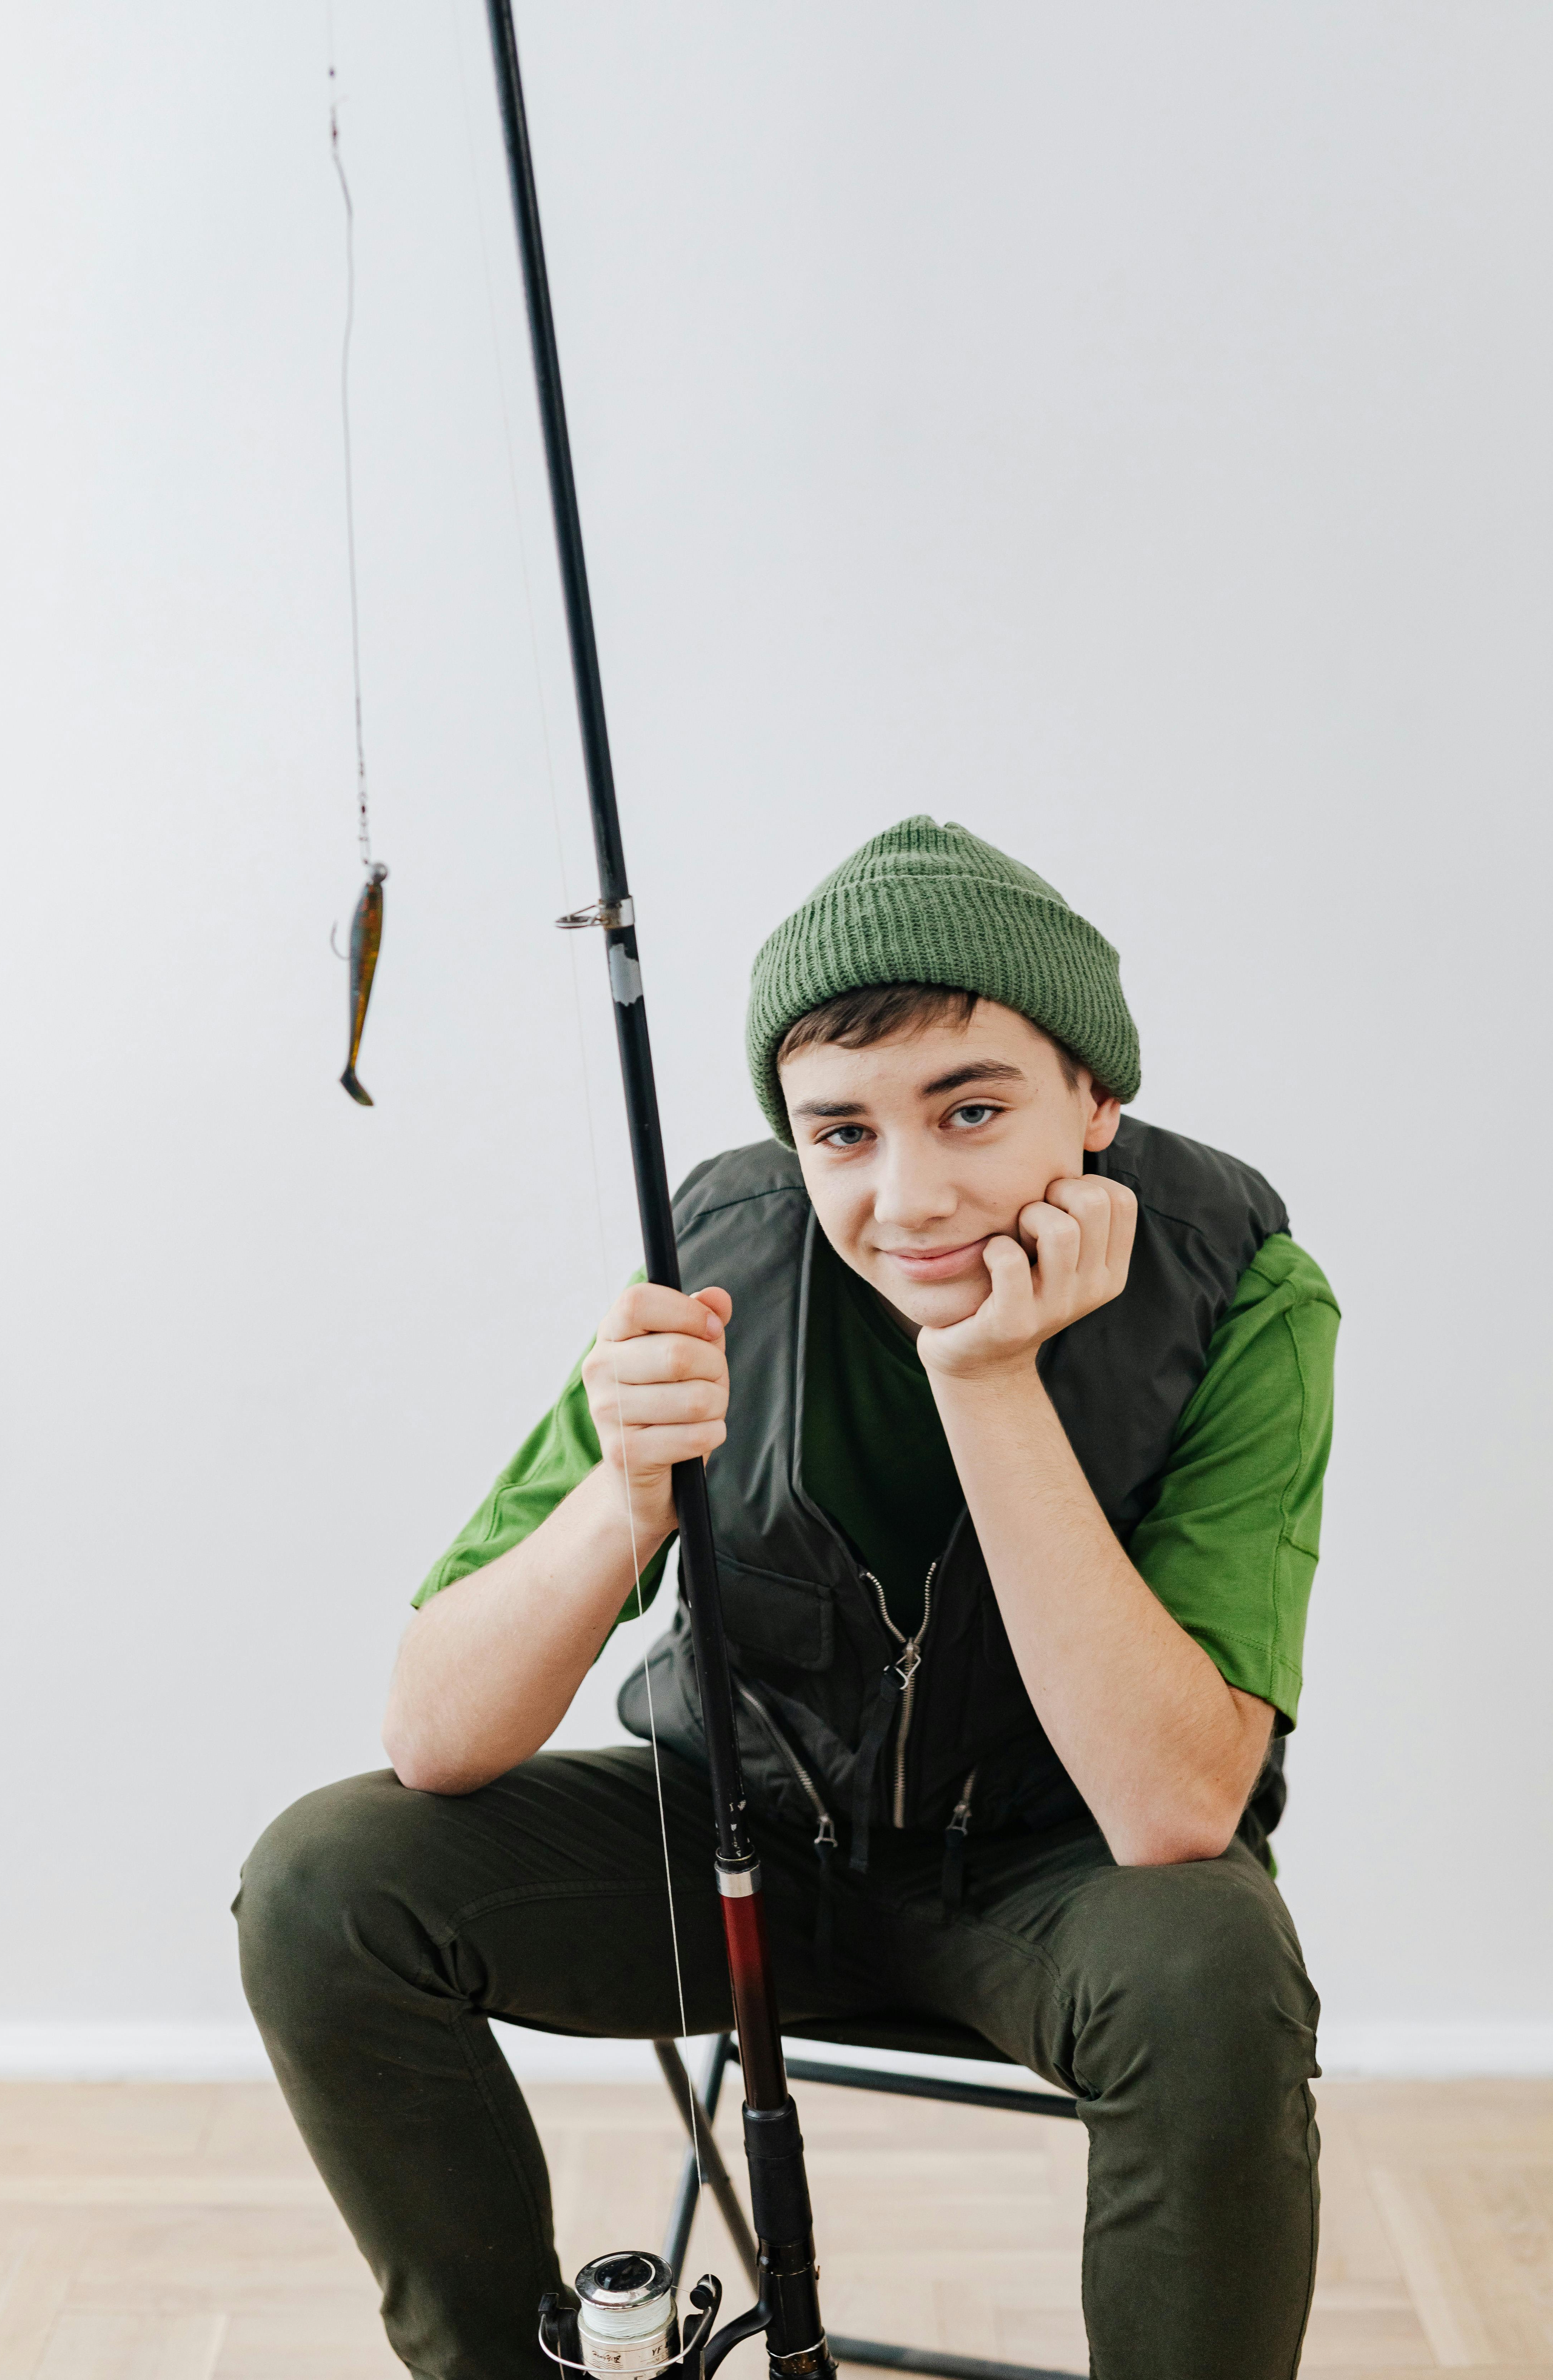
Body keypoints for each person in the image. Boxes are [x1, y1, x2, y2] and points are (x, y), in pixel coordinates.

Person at [237, 817, 1337, 2380]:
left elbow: (1171, 1806)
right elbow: (433, 1734)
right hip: (739, 1843)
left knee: (1212, 1963)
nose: (908, 1192)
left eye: (971, 1108)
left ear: (1094, 1098)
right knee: (321, 1879)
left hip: (1056, 1886)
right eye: (840, 1131)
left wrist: (986, 1378)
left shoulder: (1241, 1286)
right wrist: (624, 1496)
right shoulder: (719, 1255)